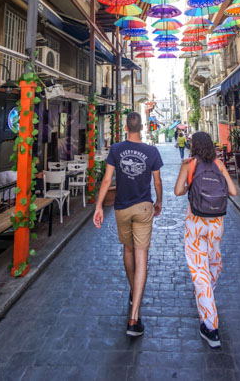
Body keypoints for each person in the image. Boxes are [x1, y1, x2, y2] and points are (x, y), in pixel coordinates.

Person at [93, 111, 163, 337]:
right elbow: (157, 180)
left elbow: (106, 180)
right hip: (143, 207)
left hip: (121, 208)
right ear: (142, 127)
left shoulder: (115, 149)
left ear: (126, 127)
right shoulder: (152, 151)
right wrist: (159, 201)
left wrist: (98, 206)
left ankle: (134, 291)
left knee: (128, 249)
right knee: (141, 256)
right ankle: (134, 318)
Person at [174, 131, 237, 348]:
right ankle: (207, 295)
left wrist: (190, 184)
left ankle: (210, 327)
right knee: (213, 265)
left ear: (193, 146)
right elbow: (234, 192)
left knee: (199, 272)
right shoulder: (219, 164)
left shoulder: (189, 164)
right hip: (216, 222)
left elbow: (177, 192)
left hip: (195, 221)